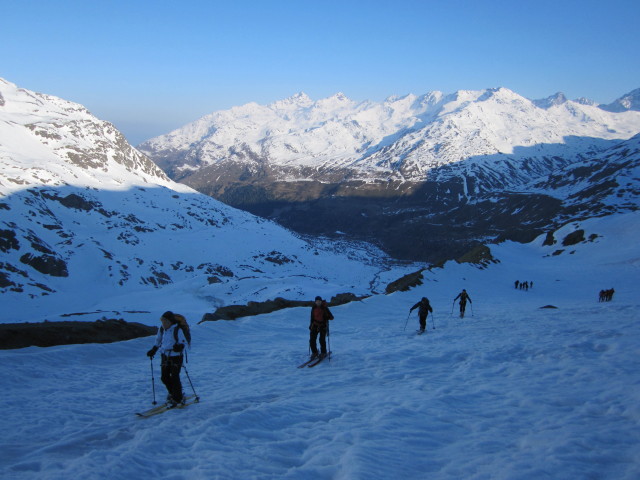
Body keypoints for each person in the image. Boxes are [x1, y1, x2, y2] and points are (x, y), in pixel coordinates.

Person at [146, 311, 188, 406]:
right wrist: (153, 349)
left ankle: (178, 398)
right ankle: (173, 393)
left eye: (165, 321)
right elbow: (158, 340)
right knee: (164, 377)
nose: (163, 323)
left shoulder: (177, 330)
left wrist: (179, 347)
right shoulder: (162, 329)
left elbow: (183, 342)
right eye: (162, 321)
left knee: (174, 377)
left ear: (170, 321)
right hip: (165, 355)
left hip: (176, 356)